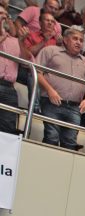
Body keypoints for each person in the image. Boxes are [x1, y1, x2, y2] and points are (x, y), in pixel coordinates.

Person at [36, 28, 85, 150]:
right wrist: (50, 90)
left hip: (74, 108)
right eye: (75, 39)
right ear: (66, 40)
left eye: (81, 40)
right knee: (51, 138)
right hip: (52, 102)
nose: (78, 42)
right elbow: (37, 72)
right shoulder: (50, 51)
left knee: (70, 143)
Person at [0, 5, 31, 135]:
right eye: (0, 14)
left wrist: (22, 42)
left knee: (8, 129)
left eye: (5, 15)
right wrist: (2, 34)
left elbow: (26, 62)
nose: (4, 17)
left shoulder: (15, 41)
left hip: (9, 89)